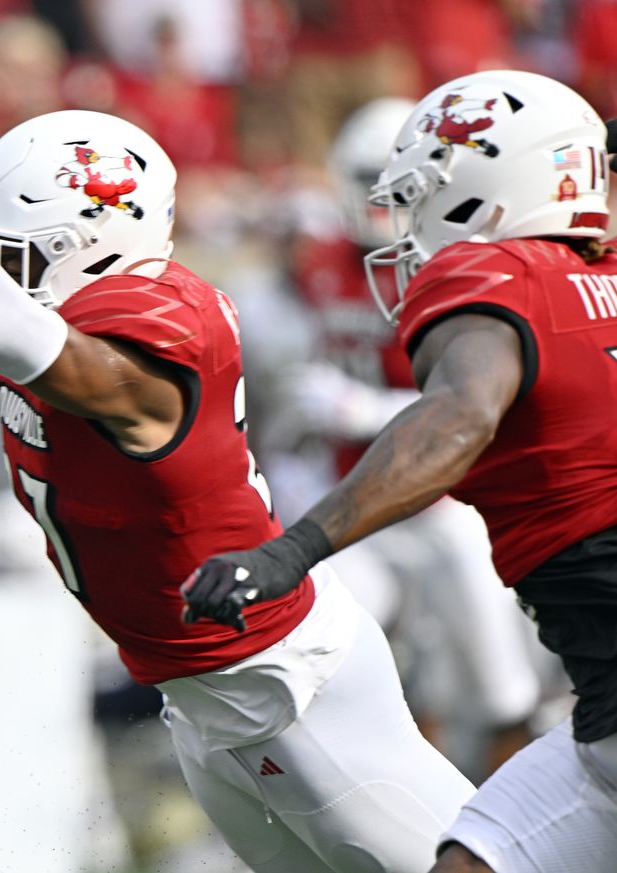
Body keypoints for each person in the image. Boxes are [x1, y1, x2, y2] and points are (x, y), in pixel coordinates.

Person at [0, 55, 473, 873]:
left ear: (82, 247)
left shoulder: (148, 338)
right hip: (199, 697)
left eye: (7, 252)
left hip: (286, 686)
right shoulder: (54, 307)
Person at [183, 70, 617, 873]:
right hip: (601, 714)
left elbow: (463, 413)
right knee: (472, 859)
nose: (403, 225)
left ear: (498, 188)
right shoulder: (597, 272)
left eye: (424, 193)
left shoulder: (501, 273)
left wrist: (292, 549)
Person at [281, 97, 544, 779]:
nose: (392, 200)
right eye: (378, 178)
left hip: (448, 502)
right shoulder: (321, 259)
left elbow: (481, 400)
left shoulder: (463, 267)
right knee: (346, 665)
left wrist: (366, 409)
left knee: (498, 681)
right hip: (356, 501)